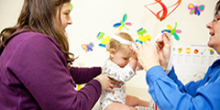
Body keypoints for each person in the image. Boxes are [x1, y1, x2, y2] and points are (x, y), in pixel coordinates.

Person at [0, 0, 121, 110]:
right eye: (66, 13)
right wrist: (99, 83)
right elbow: (72, 107)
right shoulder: (34, 44)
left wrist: (103, 70)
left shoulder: (23, 38)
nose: (70, 21)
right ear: (47, 13)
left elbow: (66, 73)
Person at [131, 1, 220, 110]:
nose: (209, 24)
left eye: (217, 19)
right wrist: (165, 68)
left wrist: (152, 67)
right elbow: (185, 95)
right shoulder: (216, 69)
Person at [99, 32, 149, 110]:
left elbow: (132, 67)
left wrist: (143, 63)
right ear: (112, 53)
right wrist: (134, 59)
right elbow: (124, 75)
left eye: (129, 58)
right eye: (125, 58)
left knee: (135, 100)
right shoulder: (109, 66)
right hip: (109, 103)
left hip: (120, 99)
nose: (127, 61)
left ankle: (154, 106)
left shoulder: (120, 63)